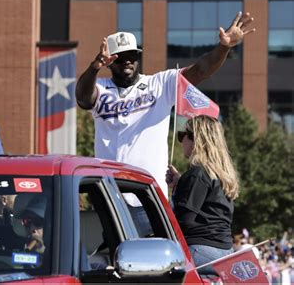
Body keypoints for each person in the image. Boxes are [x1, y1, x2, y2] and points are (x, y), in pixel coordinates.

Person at [75, 12, 255, 197]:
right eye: (119, 57)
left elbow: (200, 70)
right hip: (108, 193)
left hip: (148, 194)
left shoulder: (160, 83)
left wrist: (223, 47)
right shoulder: (101, 87)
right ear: (109, 62)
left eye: (132, 55)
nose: (127, 60)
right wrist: (96, 65)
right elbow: (82, 98)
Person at [165, 115, 240, 274]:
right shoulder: (220, 175)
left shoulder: (197, 174)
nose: (181, 141)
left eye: (182, 135)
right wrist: (181, 184)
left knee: (145, 269)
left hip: (200, 251)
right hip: (225, 252)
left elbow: (182, 223)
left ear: (195, 140)